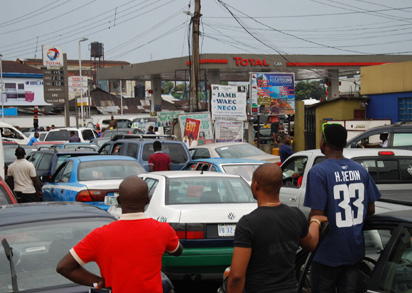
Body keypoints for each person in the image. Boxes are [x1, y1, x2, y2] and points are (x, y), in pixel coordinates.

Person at [56, 176, 183, 293]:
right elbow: (177, 251)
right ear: (147, 200)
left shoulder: (100, 235)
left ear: (118, 200)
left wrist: (98, 283)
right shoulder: (163, 230)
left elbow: (64, 267)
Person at [304, 123, 381, 293]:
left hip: (327, 254)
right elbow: (370, 209)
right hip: (354, 252)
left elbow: (317, 215)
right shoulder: (360, 170)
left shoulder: (318, 172)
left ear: (324, 143)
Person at [227, 164, 327, 293]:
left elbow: (236, 276)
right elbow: (311, 243)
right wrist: (315, 222)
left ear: (255, 185)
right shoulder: (295, 215)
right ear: (280, 186)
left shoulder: (248, 224)